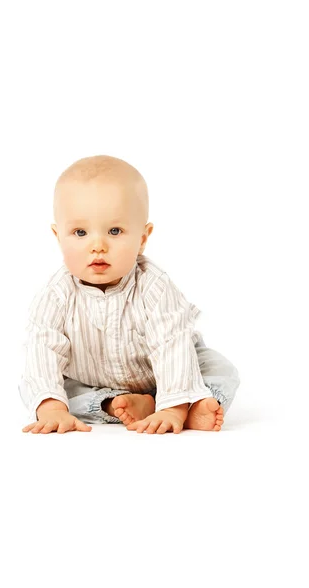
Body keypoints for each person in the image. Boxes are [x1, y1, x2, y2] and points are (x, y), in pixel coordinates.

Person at [19, 155, 240, 435]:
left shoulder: (154, 286)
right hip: (92, 380)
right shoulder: (55, 295)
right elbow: (44, 349)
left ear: (142, 238)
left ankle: (190, 406)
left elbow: (172, 344)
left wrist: (174, 406)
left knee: (220, 369)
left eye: (114, 231)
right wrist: (52, 408)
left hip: (168, 372)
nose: (97, 245)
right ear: (58, 236)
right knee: (48, 387)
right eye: (80, 232)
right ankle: (114, 405)